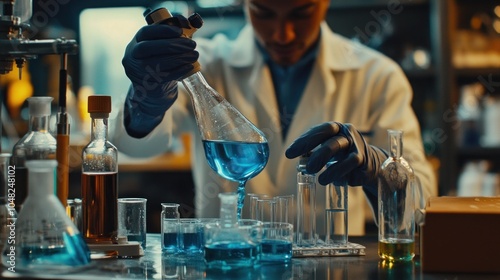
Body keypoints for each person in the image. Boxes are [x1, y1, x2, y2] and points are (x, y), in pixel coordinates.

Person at [111, 0, 437, 235]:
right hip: (227, 267)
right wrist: (148, 96)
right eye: (264, 13)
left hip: (328, 268)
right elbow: (137, 145)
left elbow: (421, 207)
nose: (283, 34)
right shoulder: (207, 62)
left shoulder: (377, 76)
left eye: (301, 12)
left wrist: (380, 171)